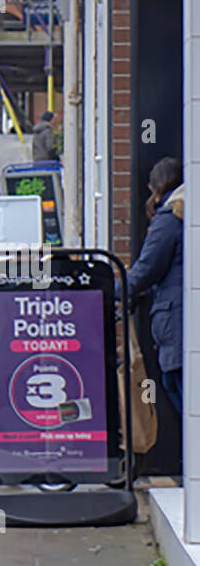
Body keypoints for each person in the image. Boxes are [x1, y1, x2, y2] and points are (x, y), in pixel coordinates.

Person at [126, 156, 185, 421]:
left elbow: (146, 270)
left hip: (178, 326)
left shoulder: (170, 219)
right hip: (181, 326)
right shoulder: (184, 215)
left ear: (155, 187)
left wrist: (108, 289)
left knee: (178, 390)